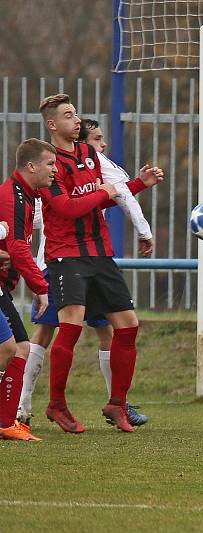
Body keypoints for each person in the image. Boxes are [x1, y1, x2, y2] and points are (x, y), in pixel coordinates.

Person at [38, 93, 164, 433]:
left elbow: (96, 202)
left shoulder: (88, 154)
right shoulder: (50, 163)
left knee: (128, 325)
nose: (75, 120)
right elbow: (65, 208)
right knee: (71, 326)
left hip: (99, 252)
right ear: (53, 124)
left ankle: (117, 403)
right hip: (67, 255)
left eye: (75, 113)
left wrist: (137, 185)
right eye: (67, 115)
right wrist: (105, 193)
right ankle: (56, 405)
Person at [0, 139, 59, 441]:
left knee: (18, 349)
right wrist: (41, 287)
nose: (55, 169)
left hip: (3, 287)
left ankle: (6, 421)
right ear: (32, 166)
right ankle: (5, 421)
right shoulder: (12, 196)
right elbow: (18, 249)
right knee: (13, 349)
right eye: (50, 164)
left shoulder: (27, 196)